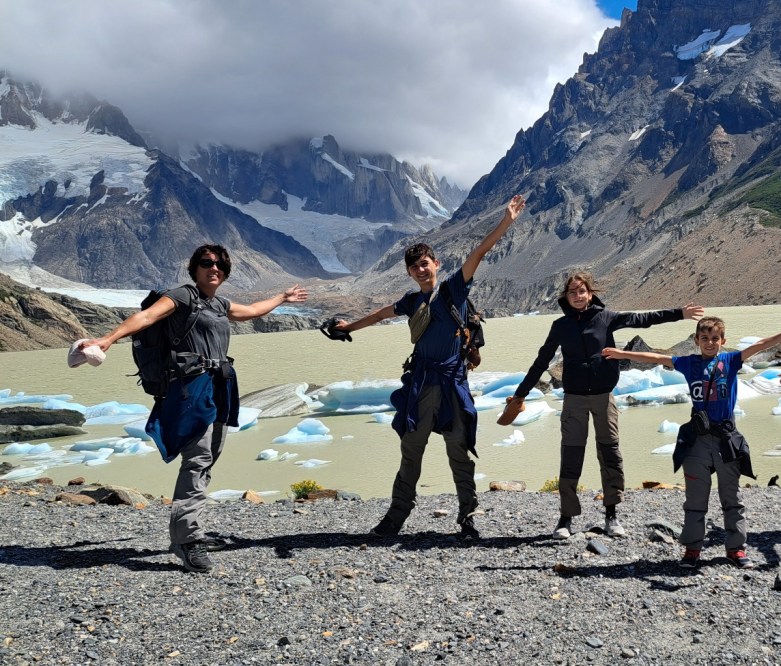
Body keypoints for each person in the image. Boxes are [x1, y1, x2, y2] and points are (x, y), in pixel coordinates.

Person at [79, 245, 308, 572]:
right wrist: (108, 339)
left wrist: (283, 297)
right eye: (206, 263)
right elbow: (147, 317)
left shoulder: (219, 304)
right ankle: (187, 541)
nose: (214, 268)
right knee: (197, 460)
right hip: (190, 389)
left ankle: (188, 532)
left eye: (220, 264)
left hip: (218, 387)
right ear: (194, 268)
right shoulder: (183, 296)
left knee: (207, 459)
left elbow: (252, 311)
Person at [331, 196, 526, 540]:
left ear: (436, 263)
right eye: (414, 267)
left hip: (452, 384)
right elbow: (379, 315)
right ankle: (395, 517)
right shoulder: (411, 301)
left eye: (425, 264)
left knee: (458, 451)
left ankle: (468, 516)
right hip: (421, 384)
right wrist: (349, 327)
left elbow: (478, 253)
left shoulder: (454, 290)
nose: (421, 270)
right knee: (411, 451)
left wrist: (506, 221)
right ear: (409, 273)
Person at [503, 272, 703, 540]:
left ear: (590, 294)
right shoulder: (560, 326)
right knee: (571, 456)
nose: (577, 296)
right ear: (566, 297)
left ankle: (612, 515)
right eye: (572, 292)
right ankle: (566, 518)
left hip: (603, 397)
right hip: (574, 399)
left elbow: (643, 319)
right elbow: (541, 361)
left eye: (581, 291)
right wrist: (520, 394)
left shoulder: (606, 318)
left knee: (610, 454)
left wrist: (679, 313)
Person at [603, 316, 781, 569]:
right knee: (695, 498)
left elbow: (760, 345)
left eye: (715, 338)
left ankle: (736, 549)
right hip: (698, 440)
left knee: (732, 497)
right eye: (704, 338)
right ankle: (692, 549)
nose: (710, 343)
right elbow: (657, 358)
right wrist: (621, 354)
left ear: (723, 341)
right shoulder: (689, 363)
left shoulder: (730, 361)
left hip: (726, 438)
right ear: (696, 340)